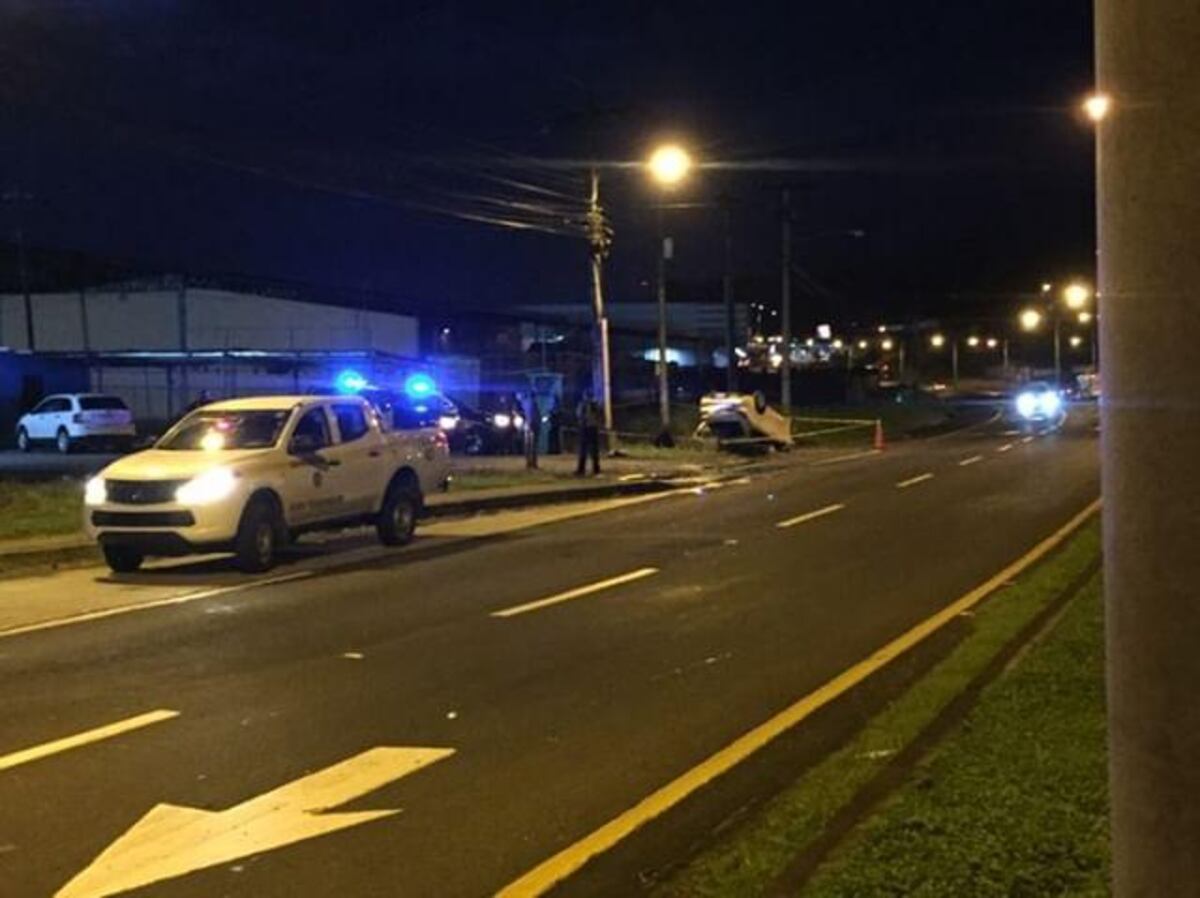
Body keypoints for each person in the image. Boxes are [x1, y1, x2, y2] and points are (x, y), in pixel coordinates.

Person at [575, 389, 601, 476]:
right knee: (594, 450)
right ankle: (596, 469)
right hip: (594, 428)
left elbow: (579, 415)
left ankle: (581, 469)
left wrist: (581, 422)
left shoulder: (583, 405)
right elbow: (598, 416)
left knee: (583, 450)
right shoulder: (595, 404)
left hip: (585, 428)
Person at [522, 392, 540, 470]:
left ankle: (528, 462)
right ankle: (533, 463)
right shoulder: (534, 404)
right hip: (533, 426)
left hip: (527, 425)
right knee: (533, 446)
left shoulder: (526, 404)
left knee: (528, 445)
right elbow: (535, 416)